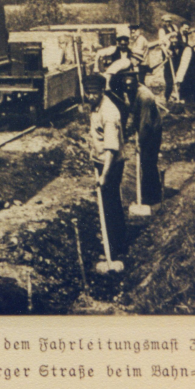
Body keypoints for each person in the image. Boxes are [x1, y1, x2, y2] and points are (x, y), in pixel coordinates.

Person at [85, 73, 128, 256]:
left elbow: (111, 149)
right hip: (101, 161)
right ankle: (113, 240)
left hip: (111, 164)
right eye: (88, 93)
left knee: (110, 206)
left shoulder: (109, 112)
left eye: (94, 93)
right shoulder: (95, 106)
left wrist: (104, 175)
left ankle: (116, 248)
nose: (91, 96)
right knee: (106, 203)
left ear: (102, 91)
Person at [119, 72, 163, 210]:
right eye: (126, 86)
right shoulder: (131, 92)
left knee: (148, 162)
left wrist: (139, 143)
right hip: (144, 126)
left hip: (152, 130)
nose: (127, 88)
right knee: (145, 162)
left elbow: (145, 123)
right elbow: (134, 115)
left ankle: (153, 198)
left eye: (130, 85)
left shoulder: (145, 97)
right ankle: (147, 194)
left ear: (136, 83)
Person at [172, 33, 195, 104]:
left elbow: (183, 65)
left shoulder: (186, 49)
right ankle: (184, 99)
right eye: (172, 42)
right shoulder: (175, 47)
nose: (173, 43)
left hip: (191, 65)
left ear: (179, 41)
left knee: (191, 81)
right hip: (186, 66)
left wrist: (177, 79)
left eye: (175, 42)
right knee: (185, 82)